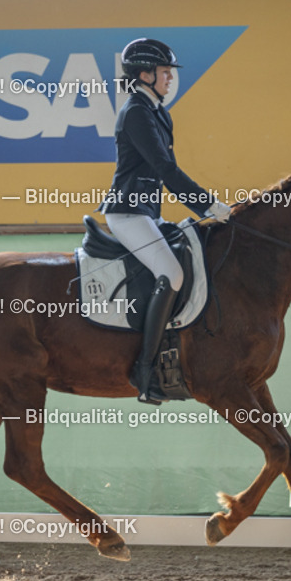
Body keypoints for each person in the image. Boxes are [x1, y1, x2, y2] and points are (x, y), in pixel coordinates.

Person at [98, 38, 232, 404]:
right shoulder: (136, 112)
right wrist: (206, 206)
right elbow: (164, 169)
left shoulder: (157, 111)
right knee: (171, 275)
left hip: (146, 213)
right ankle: (145, 367)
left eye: (171, 72)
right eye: (165, 72)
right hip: (127, 212)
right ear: (144, 74)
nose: (171, 78)